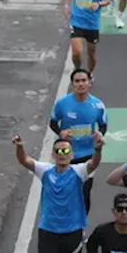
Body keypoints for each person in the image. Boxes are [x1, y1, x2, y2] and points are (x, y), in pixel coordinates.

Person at [49, 68, 109, 212]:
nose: (81, 84)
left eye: (84, 81)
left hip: (88, 154)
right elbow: (52, 122)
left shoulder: (98, 105)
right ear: (72, 84)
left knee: (85, 192)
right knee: (65, 190)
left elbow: (103, 125)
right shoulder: (62, 104)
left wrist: (100, 134)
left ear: (90, 83)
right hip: (66, 153)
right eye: (77, 81)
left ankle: (81, 226)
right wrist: (61, 132)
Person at [65, 0, 112, 73]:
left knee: (91, 54)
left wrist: (99, 4)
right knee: (76, 53)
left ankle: (89, 74)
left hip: (92, 24)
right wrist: (67, 6)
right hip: (77, 22)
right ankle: (78, 70)